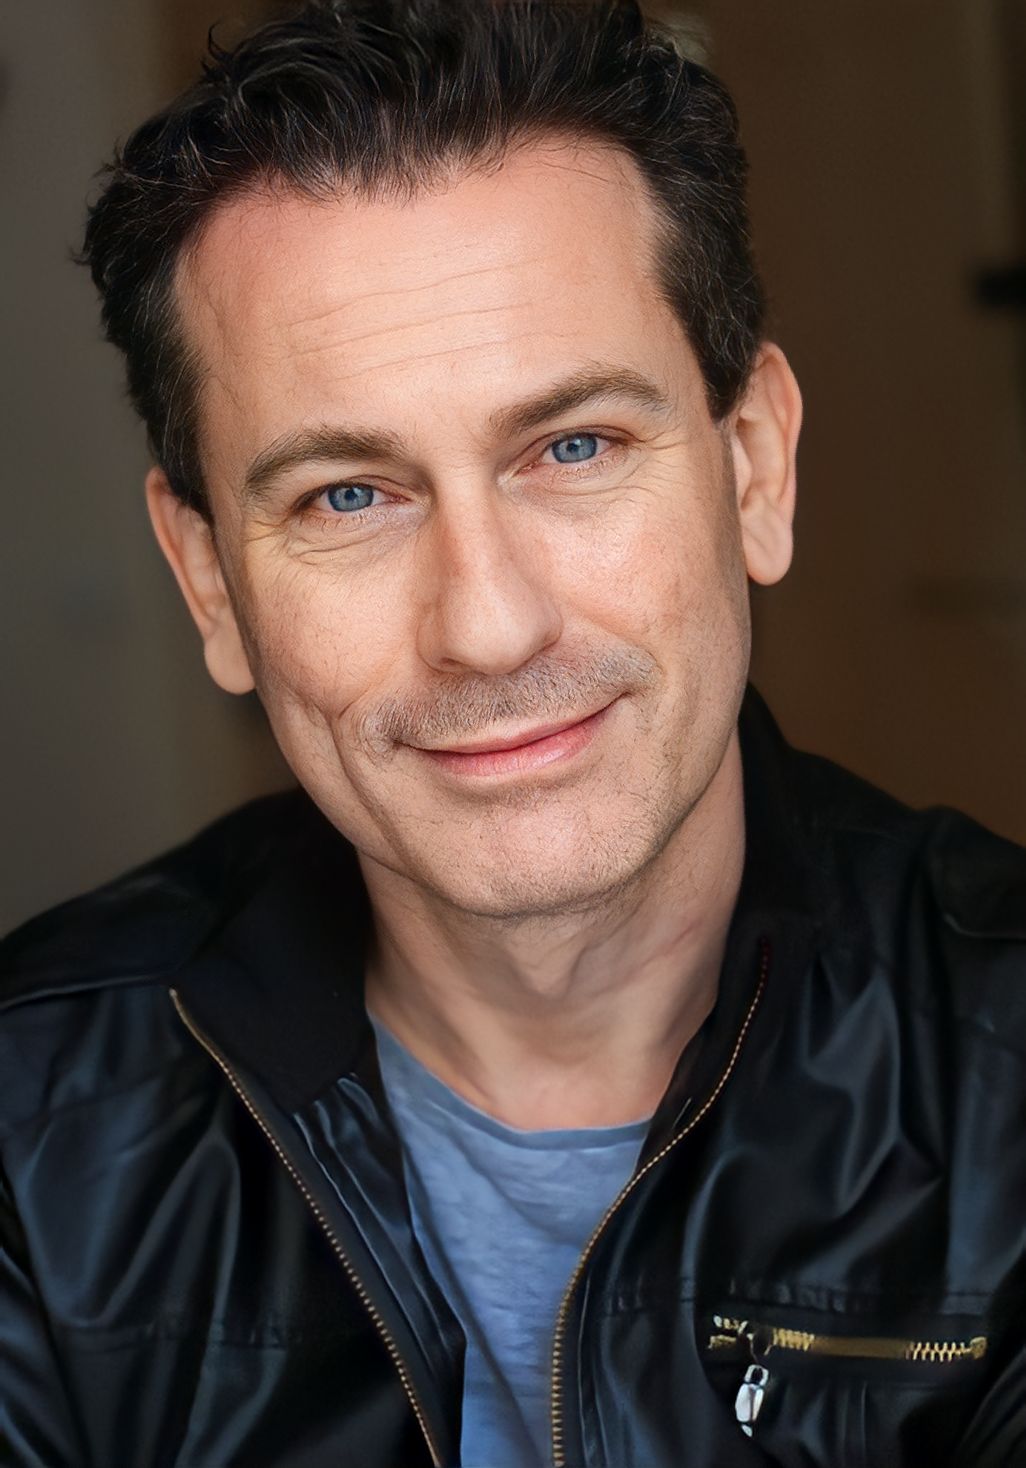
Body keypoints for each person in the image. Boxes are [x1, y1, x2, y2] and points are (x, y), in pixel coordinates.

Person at [1, 1, 1024, 1464]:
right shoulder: (29, 1123)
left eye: (574, 447)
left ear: (753, 468)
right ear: (210, 581)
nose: (487, 625)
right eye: (348, 495)